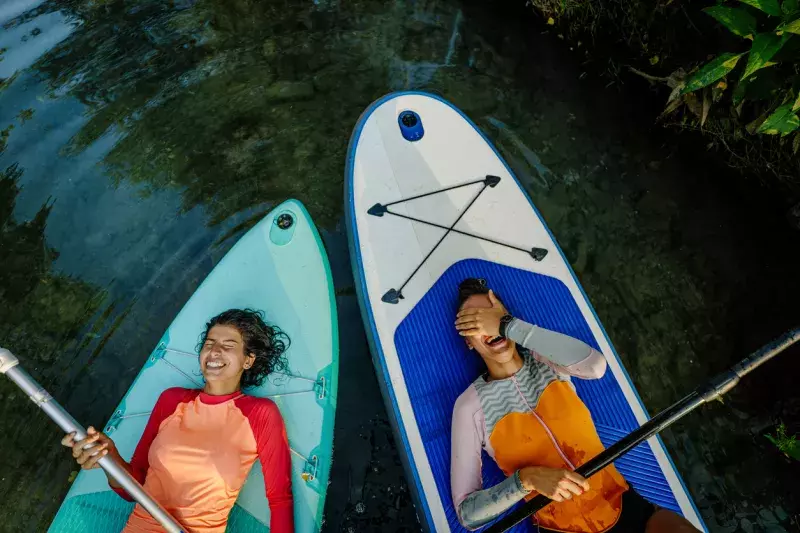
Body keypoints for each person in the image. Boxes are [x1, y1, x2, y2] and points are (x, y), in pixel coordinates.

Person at [451, 278, 699, 533]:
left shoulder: (547, 360)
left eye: (492, 315)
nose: (487, 326)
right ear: (469, 341)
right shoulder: (470, 406)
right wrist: (528, 479)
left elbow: (595, 366)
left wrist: (507, 325)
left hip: (621, 505)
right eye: (473, 322)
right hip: (560, 529)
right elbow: (468, 514)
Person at [61, 309, 294, 533]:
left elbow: (279, 498)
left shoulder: (260, 414)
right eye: (209, 344)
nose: (214, 352)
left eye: (228, 346)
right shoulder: (172, 400)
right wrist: (108, 458)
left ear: (248, 361)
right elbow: (134, 488)